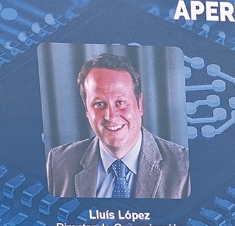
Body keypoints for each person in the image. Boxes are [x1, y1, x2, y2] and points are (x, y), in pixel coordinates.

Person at [46, 53, 190, 198]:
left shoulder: (183, 166)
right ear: (87, 110)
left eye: (120, 103)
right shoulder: (59, 162)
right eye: (99, 104)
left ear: (139, 104)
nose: (110, 116)